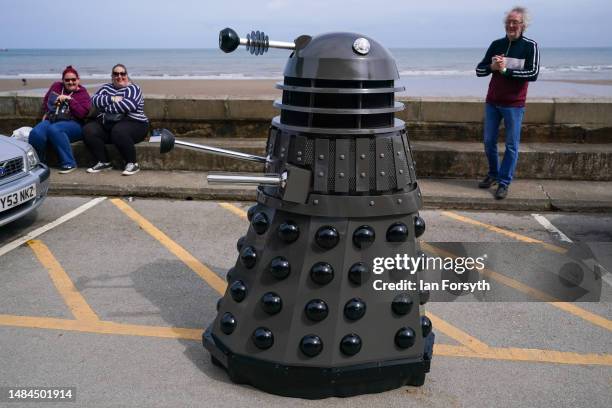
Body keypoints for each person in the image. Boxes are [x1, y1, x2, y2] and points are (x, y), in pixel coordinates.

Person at [476, 6, 540, 199]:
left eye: (515, 22)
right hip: (493, 102)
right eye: (508, 22)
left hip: (514, 104)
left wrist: (505, 71)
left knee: (511, 145)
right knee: (489, 142)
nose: (511, 25)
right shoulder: (496, 44)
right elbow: (479, 70)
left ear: (523, 25)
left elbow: (533, 74)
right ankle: (493, 174)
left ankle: (504, 182)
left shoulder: (530, 46)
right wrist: (492, 66)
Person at [83, 64, 148, 175]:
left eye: (122, 73)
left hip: (136, 124)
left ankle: (132, 163)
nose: (119, 76)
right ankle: (104, 162)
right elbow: (94, 100)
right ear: (112, 76)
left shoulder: (133, 88)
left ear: (127, 75)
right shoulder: (106, 88)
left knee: (119, 130)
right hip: (110, 125)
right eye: (116, 74)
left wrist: (106, 108)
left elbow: (129, 105)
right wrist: (112, 98)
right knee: (88, 129)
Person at [28, 66, 91, 173]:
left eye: (73, 80)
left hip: (74, 123)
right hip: (53, 119)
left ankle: (69, 163)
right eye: (67, 80)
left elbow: (82, 114)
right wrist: (48, 112)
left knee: (55, 129)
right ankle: (40, 162)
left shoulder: (82, 93)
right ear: (63, 81)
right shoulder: (56, 87)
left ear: (78, 80)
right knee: (36, 133)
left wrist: (70, 100)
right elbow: (46, 100)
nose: (70, 82)